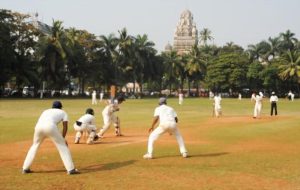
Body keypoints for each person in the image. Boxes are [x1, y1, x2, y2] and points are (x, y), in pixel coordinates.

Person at [22, 101, 79, 175]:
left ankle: (25, 168)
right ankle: (71, 169)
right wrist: (63, 139)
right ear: (61, 107)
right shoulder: (63, 112)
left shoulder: (46, 111)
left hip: (38, 127)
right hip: (50, 127)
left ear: (52, 107)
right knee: (63, 147)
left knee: (35, 145)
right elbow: (65, 126)